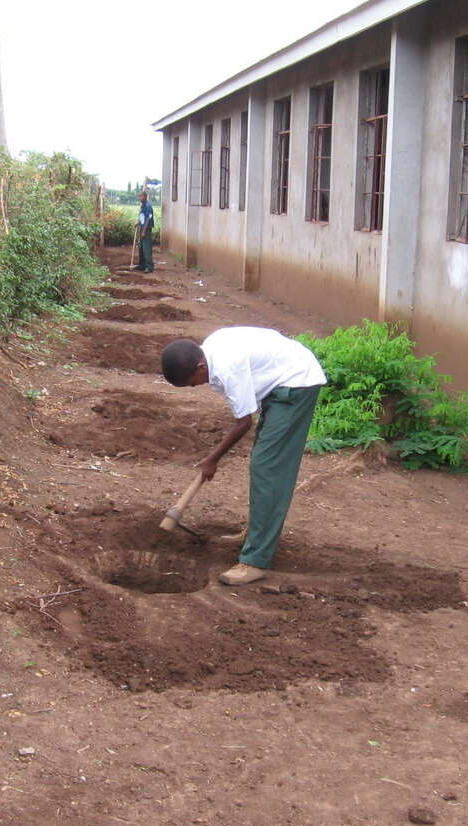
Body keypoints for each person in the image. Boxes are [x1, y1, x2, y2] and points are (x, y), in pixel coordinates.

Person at [160, 327, 326, 585]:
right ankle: (256, 535)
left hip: (296, 384)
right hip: (280, 383)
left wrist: (212, 459)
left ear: (201, 366)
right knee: (263, 463)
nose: (194, 387)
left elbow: (243, 423)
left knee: (268, 469)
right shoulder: (211, 349)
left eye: (192, 382)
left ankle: (255, 561)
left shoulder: (228, 367)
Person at [134, 189, 155, 273]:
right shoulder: (142, 206)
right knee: (141, 248)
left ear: (145, 197)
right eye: (139, 196)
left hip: (146, 229)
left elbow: (147, 220)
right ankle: (142, 265)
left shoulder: (148, 206)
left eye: (141, 196)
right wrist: (138, 223)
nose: (139, 198)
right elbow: (142, 217)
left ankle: (149, 267)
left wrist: (143, 231)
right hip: (142, 228)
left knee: (147, 249)